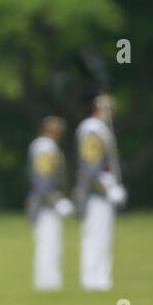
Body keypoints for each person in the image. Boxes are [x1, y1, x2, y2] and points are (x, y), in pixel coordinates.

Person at [75, 94, 124, 291]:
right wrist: (108, 187)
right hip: (95, 193)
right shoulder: (92, 130)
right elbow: (91, 166)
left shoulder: (98, 129)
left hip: (101, 192)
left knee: (102, 237)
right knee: (96, 236)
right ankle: (94, 278)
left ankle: (99, 276)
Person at [27, 116, 72, 291]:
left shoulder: (43, 146)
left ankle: (49, 281)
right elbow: (43, 179)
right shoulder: (45, 147)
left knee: (50, 244)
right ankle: (46, 281)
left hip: (46, 202)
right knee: (47, 244)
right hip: (44, 204)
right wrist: (56, 200)